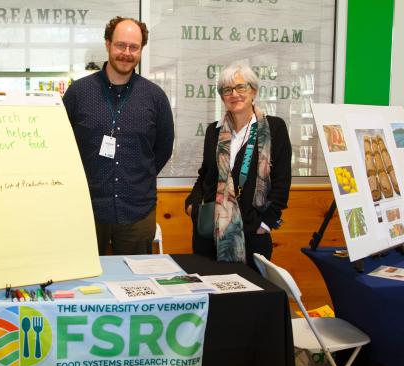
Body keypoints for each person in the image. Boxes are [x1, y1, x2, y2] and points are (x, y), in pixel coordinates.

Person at [63, 16, 174, 255]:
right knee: (84, 283)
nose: (126, 53)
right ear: (107, 45)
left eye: (133, 47)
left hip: (137, 212)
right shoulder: (78, 93)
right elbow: (62, 146)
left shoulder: (155, 97)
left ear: (141, 50)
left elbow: (163, 147)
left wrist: (138, 176)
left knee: (136, 284)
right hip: (86, 211)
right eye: (120, 45)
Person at [185, 61, 291, 271]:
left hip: (253, 233)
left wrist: (266, 223)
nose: (234, 94)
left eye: (241, 87)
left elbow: (282, 180)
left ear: (254, 91)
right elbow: (205, 174)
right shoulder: (213, 132)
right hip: (210, 232)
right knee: (213, 295)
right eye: (227, 90)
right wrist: (192, 205)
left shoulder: (274, 128)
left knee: (250, 299)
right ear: (222, 96)